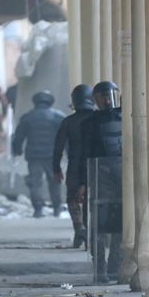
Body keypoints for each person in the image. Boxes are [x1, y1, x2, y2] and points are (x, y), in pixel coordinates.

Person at [79, 81, 123, 282]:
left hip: (122, 176)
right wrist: (82, 182)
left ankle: (115, 263)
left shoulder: (125, 118)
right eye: (103, 96)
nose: (107, 100)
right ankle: (100, 266)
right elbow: (83, 155)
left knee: (122, 223)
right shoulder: (89, 123)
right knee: (99, 224)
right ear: (95, 99)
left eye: (110, 95)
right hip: (99, 177)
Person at [53, 84, 96, 248]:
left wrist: (56, 168)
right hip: (94, 165)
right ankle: (88, 235)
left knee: (72, 199)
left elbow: (58, 147)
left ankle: (80, 230)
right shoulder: (97, 119)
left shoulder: (68, 122)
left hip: (74, 165)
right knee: (91, 201)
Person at [12, 90, 65, 218]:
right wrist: (68, 151)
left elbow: (18, 137)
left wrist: (17, 150)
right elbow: (65, 137)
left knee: (35, 182)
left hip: (34, 156)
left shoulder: (28, 117)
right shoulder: (58, 117)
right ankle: (57, 208)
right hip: (52, 156)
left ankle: (38, 209)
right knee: (55, 182)